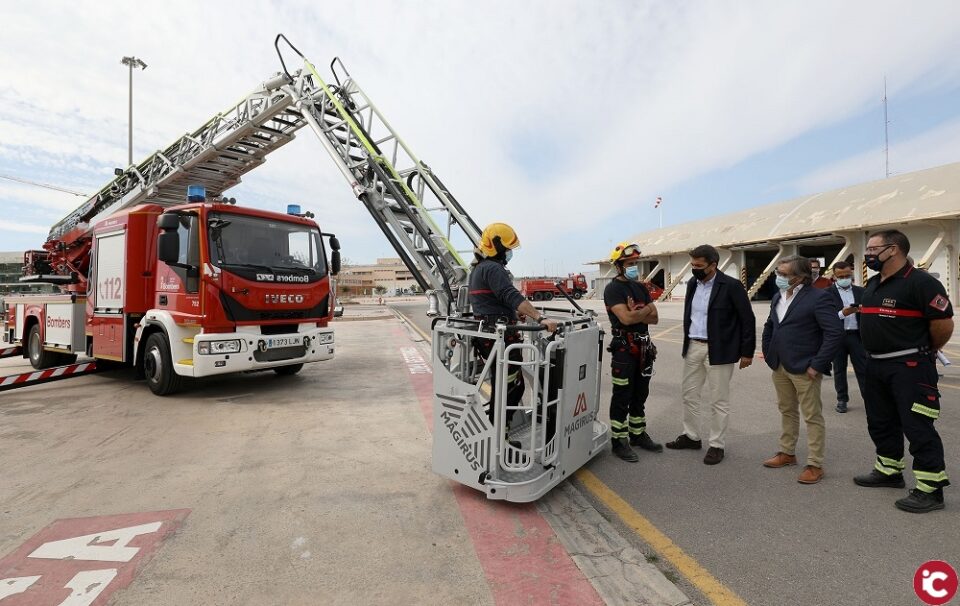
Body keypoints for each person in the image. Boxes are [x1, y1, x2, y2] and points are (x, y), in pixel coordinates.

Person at [853, 230, 954, 513]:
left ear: (893, 249)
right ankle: (889, 471)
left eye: (873, 249)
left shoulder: (920, 283)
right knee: (881, 421)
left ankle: (930, 489)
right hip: (875, 365)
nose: (868, 254)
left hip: (909, 367)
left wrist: (923, 350)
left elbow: (943, 324)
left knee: (917, 425)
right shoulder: (873, 284)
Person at [667, 244, 756, 465]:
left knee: (719, 400)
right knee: (689, 394)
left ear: (713, 265)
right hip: (694, 347)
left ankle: (717, 445)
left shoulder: (732, 286)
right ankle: (691, 436)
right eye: (692, 265)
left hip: (720, 350)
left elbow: (747, 319)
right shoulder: (692, 284)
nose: (694, 269)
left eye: (699, 265)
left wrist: (747, 352)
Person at [761, 256, 842, 484]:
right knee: (787, 410)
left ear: (801, 277)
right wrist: (768, 353)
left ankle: (815, 464)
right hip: (779, 365)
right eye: (778, 273)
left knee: (812, 416)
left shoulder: (819, 298)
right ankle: (787, 452)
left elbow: (834, 333)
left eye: (785, 275)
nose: (779, 278)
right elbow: (771, 325)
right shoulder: (778, 296)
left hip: (805, 367)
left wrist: (817, 365)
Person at [468, 223, 557, 427]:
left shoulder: (479, 269)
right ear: (497, 247)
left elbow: (491, 302)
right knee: (510, 390)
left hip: (492, 335)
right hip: (499, 339)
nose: (509, 253)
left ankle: (501, 438)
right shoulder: (492, 268)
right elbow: (510, 294)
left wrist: (514, 312)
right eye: (507, 249)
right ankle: (500, 441)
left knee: (506, 388)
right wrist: (540, 317)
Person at [604, 242, 663, 462]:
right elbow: (626, 319)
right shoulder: (613, 289)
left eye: (635, 263)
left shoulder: (640, 287)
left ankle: (637, 434)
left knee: (640, 394)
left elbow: (655, 318)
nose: (634, 268)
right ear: (619, 266)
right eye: (630, 264)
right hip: (624, 350)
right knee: (622, 396)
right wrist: (642, 311)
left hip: (644, 349)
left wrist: (639, 309)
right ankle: (619, 442)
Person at [827, 261, 867, 413]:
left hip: (857, 336)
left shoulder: (861, 291)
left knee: (863, 369)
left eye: (847, 275)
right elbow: (826, 318)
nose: (845, 278)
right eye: (841, 276)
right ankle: (842, 399)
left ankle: (868, 398)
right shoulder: (827, 294)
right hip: (838, 336)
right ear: (834, 276)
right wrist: (842, 313)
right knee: (839, 369)